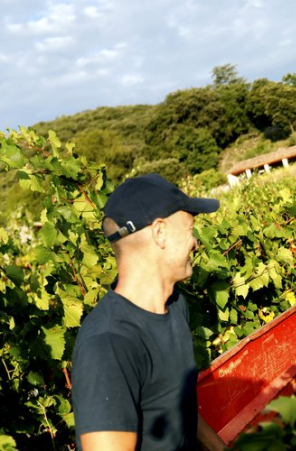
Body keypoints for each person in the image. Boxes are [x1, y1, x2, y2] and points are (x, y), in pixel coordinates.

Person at [71, 173, 226, 451]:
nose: (195, 243)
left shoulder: (175, 305)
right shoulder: (109, 343)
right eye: (190, 229)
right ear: (160, 232)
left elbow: (175, 405)